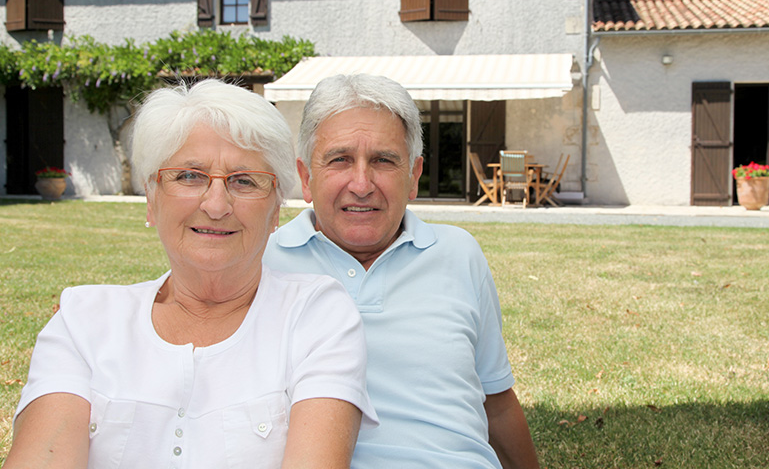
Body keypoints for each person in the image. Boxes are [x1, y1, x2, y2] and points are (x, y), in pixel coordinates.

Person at [6, 79, 377, 469]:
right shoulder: (84, 321)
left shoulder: (315, 317)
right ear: (151, 200)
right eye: (189, 176)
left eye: (244, 181)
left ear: (275, 214)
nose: (216, 205)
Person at [263, 73, 540, 469]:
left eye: (383, 160)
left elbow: (495, 402)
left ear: (413, 176)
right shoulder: (262, 263)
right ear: (307, 178)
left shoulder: (459, 254)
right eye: (340, 159)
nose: (361, 184)